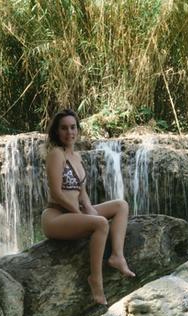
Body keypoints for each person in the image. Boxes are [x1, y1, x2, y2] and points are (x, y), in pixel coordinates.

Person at [41, 109, 135, 305]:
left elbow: (82, 194)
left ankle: (117, 256)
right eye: (64, 128)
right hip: (56, 217)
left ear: (78, 129)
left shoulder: (77, 157)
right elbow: (57, 192)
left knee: (121, 205)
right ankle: (96, 280)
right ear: (57, 132)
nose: (69, 132)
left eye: (73, 127)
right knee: (100, 224)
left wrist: (89, 211)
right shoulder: (56, 154)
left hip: (76, 212)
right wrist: (80, 214)